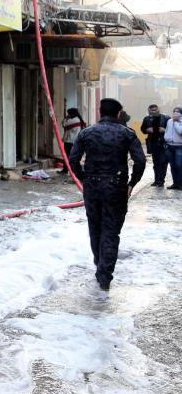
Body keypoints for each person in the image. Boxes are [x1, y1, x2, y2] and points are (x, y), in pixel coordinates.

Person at [68, 98, 145, 291]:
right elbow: (140, 160)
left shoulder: (86, 133)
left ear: (99, 112)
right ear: (119, 114)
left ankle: (99, 265)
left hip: (92, 186)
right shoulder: (126, 133)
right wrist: (132, 183)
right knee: (111, 230)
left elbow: (73, 159)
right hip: (116, 187)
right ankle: (105, 274)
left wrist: (83, 178)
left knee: (95, 227)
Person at [141, 104, 169, 187]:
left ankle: (161, 181)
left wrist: (165, 130)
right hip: (153, 143)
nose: (153, 111)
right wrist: (147, 130)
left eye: (155, 110)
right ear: (149, 111)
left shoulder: (166, 118)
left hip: (164, 143)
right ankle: (156, 180)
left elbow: (171, 130)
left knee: (163, 162)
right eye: (152, 110)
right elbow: (142, 129)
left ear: (158, 110)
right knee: (156, 163)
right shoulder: (147, 119)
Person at [59, 107, 86, 174]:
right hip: (73, 141)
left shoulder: (74, 120)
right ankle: (68, 170)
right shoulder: (78, 119)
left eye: (69, 114)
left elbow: (64, 124)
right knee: (70, 156)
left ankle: (67, 170)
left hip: (70, 141)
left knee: (67, 156)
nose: (68, 115)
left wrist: (66, 118)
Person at [166, 106, 182, 190]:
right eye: (174, 111)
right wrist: (166, 138)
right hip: (170, 146)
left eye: (178, 111)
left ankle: (180, 184)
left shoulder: (180, 121)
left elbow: (180, 131)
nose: (175, 113)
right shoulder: (169, 121)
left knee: (179, 165)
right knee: (172, 166)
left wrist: (176, 122)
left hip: (179, 146)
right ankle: (175, 183)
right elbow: (167, 131)